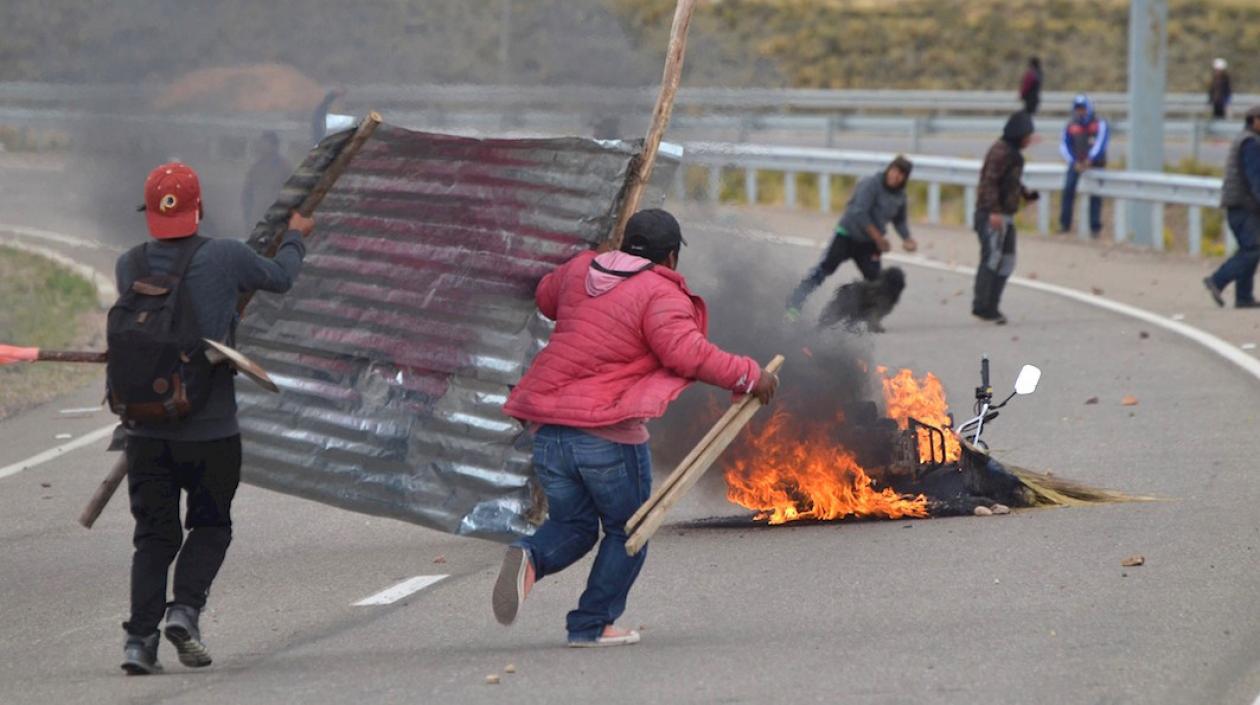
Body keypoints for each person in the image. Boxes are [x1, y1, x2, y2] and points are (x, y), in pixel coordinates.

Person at [495, 209, 778, 647]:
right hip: (606, 433)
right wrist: (749, 375)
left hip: (549, 430)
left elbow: (546, 298)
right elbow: (686, 353)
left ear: (625, 242)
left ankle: (530, 556)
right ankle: (591, 625)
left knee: (573, 525)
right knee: (630, 528)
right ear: (671, 257)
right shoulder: (659, 292)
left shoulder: (578, 270)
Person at [116, 163, 314, 674]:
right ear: (197, 208)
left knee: (154, 536)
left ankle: (139, 643)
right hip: (211, 429)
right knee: (210, 524)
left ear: (149, 214)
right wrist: (295, 236)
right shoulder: (225, 256)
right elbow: (282, 279)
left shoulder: (128, 264)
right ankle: (184, 610)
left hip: (144, 431)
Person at [785, 156, 919, 320]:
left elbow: (899, 220)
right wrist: (878, 237)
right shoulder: (870, 184)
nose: (896, 176)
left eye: (901, 174)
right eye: (894, 171)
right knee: (823, 270)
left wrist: (907, 238)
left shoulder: (900, 196)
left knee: (876, 282)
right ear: (889, 169)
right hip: (847, 235)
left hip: (868, 245)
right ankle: (794, 304)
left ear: (905, 178)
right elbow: (858, 212)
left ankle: (867, 317)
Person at [974, 111, 1039, 325]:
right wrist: (993, 211)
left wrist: (1025, 194)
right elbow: (989, 182)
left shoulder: (1013, 154)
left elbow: (1009, 182)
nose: (1030, 139)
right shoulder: (1000, 152)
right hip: (991, 215)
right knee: (992, 258)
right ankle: (982, 306)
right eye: (1027, 134)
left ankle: (992, 306)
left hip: (1007, 216)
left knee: (1007, 261)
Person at [1204, 106, 1260, 309]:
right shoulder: (1250, 143)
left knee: (1250, 249)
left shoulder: (1245, 139)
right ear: (1254, 120)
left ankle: (1244, 297)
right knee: (1252, 250)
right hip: (1243, 207)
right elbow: (1256, 178)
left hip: (1239, 206)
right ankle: (1217, 280)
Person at [1058, 94, 1109, 237]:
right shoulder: (1071, 125)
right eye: (1078, 109)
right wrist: (1074, 161)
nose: (1080, 112)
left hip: (1096, 164)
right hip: (1076, 164)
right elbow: (1064, 145)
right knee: (1068, 190)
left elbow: (1101, 144)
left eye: (1083, 108)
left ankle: (1095, 228)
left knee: (1096, 195)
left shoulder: (1099, 124)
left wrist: (1090, 159)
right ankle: (1064, 225)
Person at [241, 131, 293, 231]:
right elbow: (247, 194)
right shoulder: (256, 168)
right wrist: (247, 216)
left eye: (265, 144)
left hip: (277, 218)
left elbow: (292, 194)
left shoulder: (284, 167)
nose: (262, 147)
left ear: (274, 146)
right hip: (257, 217)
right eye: (261, 143)